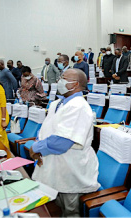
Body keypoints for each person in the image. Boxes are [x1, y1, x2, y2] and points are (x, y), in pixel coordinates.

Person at [29, 68, 100, 217]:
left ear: (74, 84)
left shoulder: (79, 106)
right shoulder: (57, 104)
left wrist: (36, 148)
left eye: (63, 78)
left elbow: (62, 141)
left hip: (70, 169)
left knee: (70, 210)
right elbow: (46, 129)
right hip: (55, 164)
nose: (59, 80)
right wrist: (38, 146)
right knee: (59, 205)